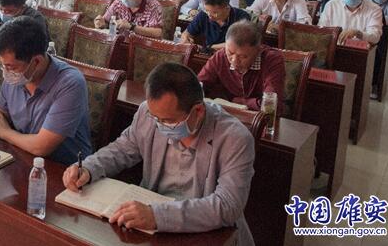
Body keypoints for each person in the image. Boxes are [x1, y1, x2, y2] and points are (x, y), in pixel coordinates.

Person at [62, 63, 255, 243]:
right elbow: (121, 149)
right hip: (151, 227)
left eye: (168, 121)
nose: (160, 126)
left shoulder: (235, 138)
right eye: (156, 118)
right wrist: (88, 168)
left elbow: (227, 205)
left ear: (198, 111)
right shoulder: (148, 113)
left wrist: (158, 216)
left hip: (210, 233)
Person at [0, 16, 92, 165]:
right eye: (2, 65)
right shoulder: (17, 75)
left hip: (63, 169)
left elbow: (41, 146)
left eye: (10, 67)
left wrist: (4, 132)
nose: (5, 72)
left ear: (36, 61)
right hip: (21, 158)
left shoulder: (70, 83)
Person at [198, 21, 286, 115]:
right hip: (224, 115)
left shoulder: (272, 60)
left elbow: (271, 106)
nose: (234, 61)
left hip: (259, 119)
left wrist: (237, 100)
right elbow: (197, 87)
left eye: (243, 56)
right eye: (230, 53)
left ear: (258, 50)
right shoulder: (220, 56)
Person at [94, 0, 163, 38]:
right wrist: (100, 22)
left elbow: (157, 32)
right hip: (119, 42)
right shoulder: (119, 2)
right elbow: (106, 21)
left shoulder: (153, 6)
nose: (125, 0)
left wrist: (132, 27)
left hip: (142, 45)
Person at [182, 0, 251, 50]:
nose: (209, 15)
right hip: (207, 54)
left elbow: (238, 43)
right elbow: (186, 33)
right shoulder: (204, 14)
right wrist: (186, 39)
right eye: (207, 10)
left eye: (214, 12)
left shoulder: (242, 17)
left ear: (227, 8)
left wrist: (209, 48)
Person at [319, 0, 383, 45]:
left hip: (358, 49)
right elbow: (321, 29)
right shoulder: (332, 5)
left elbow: (375, 37)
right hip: (333, 46)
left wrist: (357, 33)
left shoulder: (374, 9)